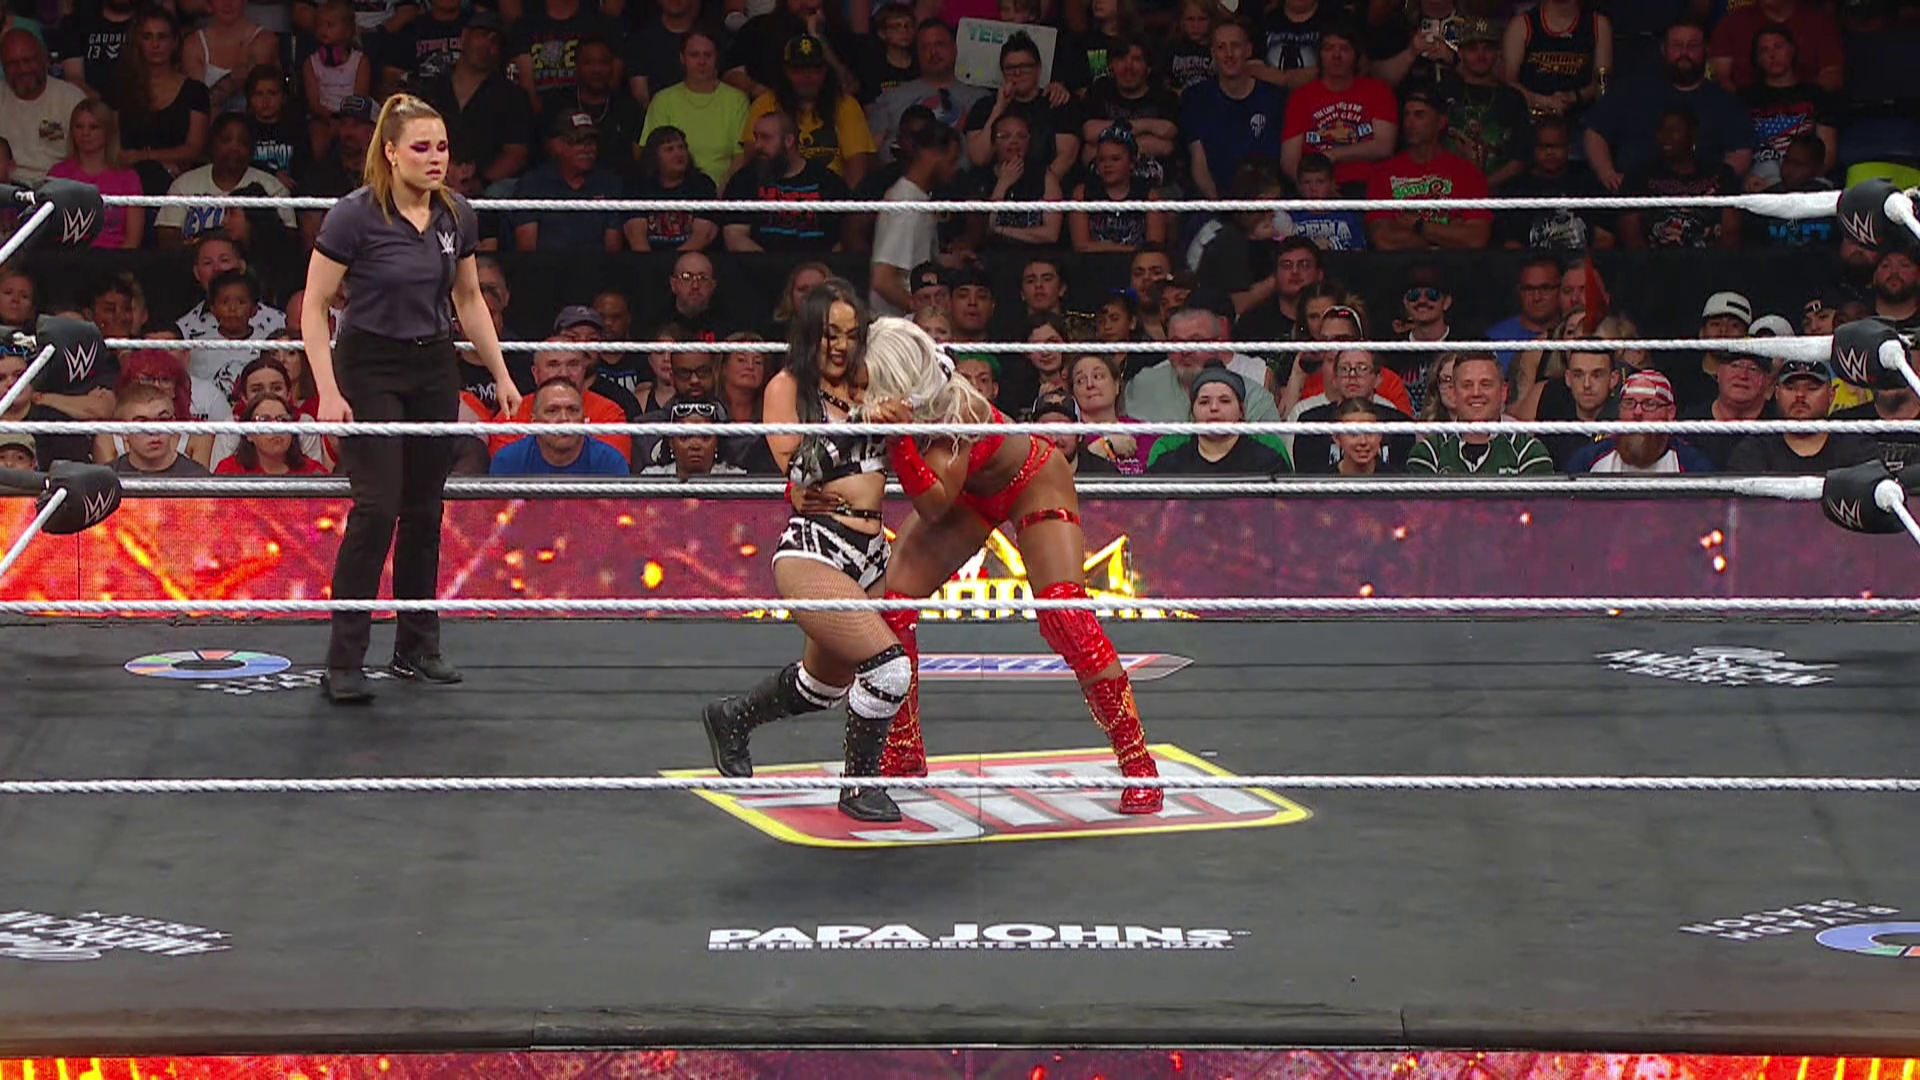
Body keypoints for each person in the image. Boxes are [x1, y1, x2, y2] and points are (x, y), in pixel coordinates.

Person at [862, 317, 1163, 814]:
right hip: (967, 494)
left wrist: (898, 439)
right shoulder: (878, 395)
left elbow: (933, 505)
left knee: (1066, 616)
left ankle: (1138, 764)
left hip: (1031, 479)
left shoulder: (957, 407)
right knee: (891, 604)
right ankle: (903, 750)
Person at [302, 93, 520, 705]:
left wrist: (501, 373)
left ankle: (416, 647)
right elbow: (314, 306)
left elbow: (468, 299)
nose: (435, 158)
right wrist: (327, 389)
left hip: (433, 364)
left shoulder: (456, 214)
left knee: (425, 509)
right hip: (369, 364)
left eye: (442, 147)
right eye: (421, 147)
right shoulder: (353, 216)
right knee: (377, 508)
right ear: (391, 153)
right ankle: (344, 660)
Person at [698, 279, 910, 823]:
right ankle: (859, 787)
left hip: (872, 551)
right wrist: (865, 421)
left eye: (851, 334)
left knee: (823, 687)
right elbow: (799, 469)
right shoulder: (787, 387)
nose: (840, 346)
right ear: (809, 333)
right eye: (829, 333)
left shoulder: (873, 382)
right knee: (888, 671)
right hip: (815, 548)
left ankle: (732, 718)